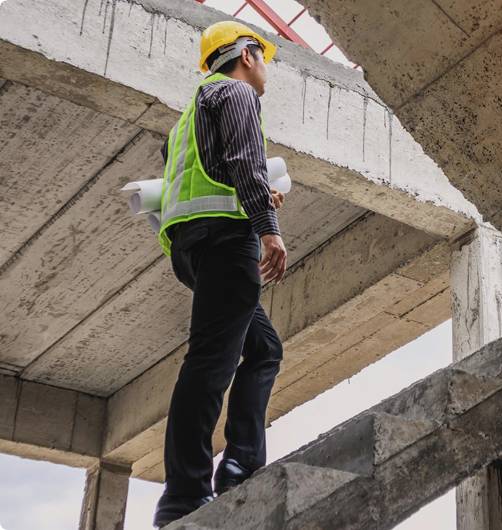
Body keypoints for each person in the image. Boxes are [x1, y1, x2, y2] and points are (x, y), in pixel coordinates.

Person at [152, 20, 288, 527]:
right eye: (263, 57)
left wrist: (255, 194)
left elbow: (209, 168)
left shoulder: (187, 118)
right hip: (227, 243)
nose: (265, 68)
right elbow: (245, 159)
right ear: (246, 55)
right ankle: (183, 495)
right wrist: (268, 228)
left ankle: (239, 466)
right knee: (211, 363)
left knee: (264, 348)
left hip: (190, 249)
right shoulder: (235, 93)